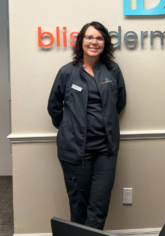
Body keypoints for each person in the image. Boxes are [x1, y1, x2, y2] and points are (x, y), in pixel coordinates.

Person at [47, 21, 126, 229]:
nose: (94, 42)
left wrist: (104, 121)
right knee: (79, 207)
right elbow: (54, 106)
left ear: (105, 43)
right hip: (74, 151)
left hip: (105, 150)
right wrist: (68, 127)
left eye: (99, 38)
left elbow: (120, 101)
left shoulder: (112, 70)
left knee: (99, 207)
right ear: (81, 41)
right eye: (89, 37)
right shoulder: (67, 72)